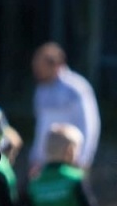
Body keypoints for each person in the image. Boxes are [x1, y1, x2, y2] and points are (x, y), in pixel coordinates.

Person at [29, 43, 100, 172]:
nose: (36, 71)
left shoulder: (76, 88)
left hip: (71, 163)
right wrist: (35, 158)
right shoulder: (41, 90)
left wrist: (83, 160)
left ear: (55, 65)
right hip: (44, 164)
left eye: (40, 67)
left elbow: (89, 125)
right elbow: (41, 127)